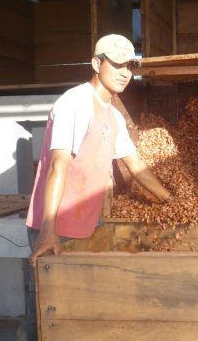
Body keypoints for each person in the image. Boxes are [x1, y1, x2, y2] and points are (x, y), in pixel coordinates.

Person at [16, 34, 174, 341]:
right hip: (55, 227)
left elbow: (136, 165)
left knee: (77, 315)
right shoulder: (74, 103)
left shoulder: (113, 115)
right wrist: (49, 229)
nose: (125, 72)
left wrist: (171, 200)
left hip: (87, 226)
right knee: (43, 315)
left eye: (129, 65)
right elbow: (57, 165)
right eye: (116, 64)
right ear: (96, 64)